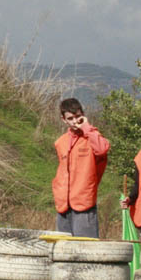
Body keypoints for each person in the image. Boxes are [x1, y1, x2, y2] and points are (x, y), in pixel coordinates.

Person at [51, 97, 110, 237]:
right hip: (63, 205)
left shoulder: (92, 137)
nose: (75, 121)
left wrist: (87, 128)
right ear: (64, 120)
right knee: (63, 248)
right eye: (70, 118)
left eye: (78, 117)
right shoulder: (60, 142)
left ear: (83, 115)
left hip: (84, 204)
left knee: (85, 247)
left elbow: (102, 149)